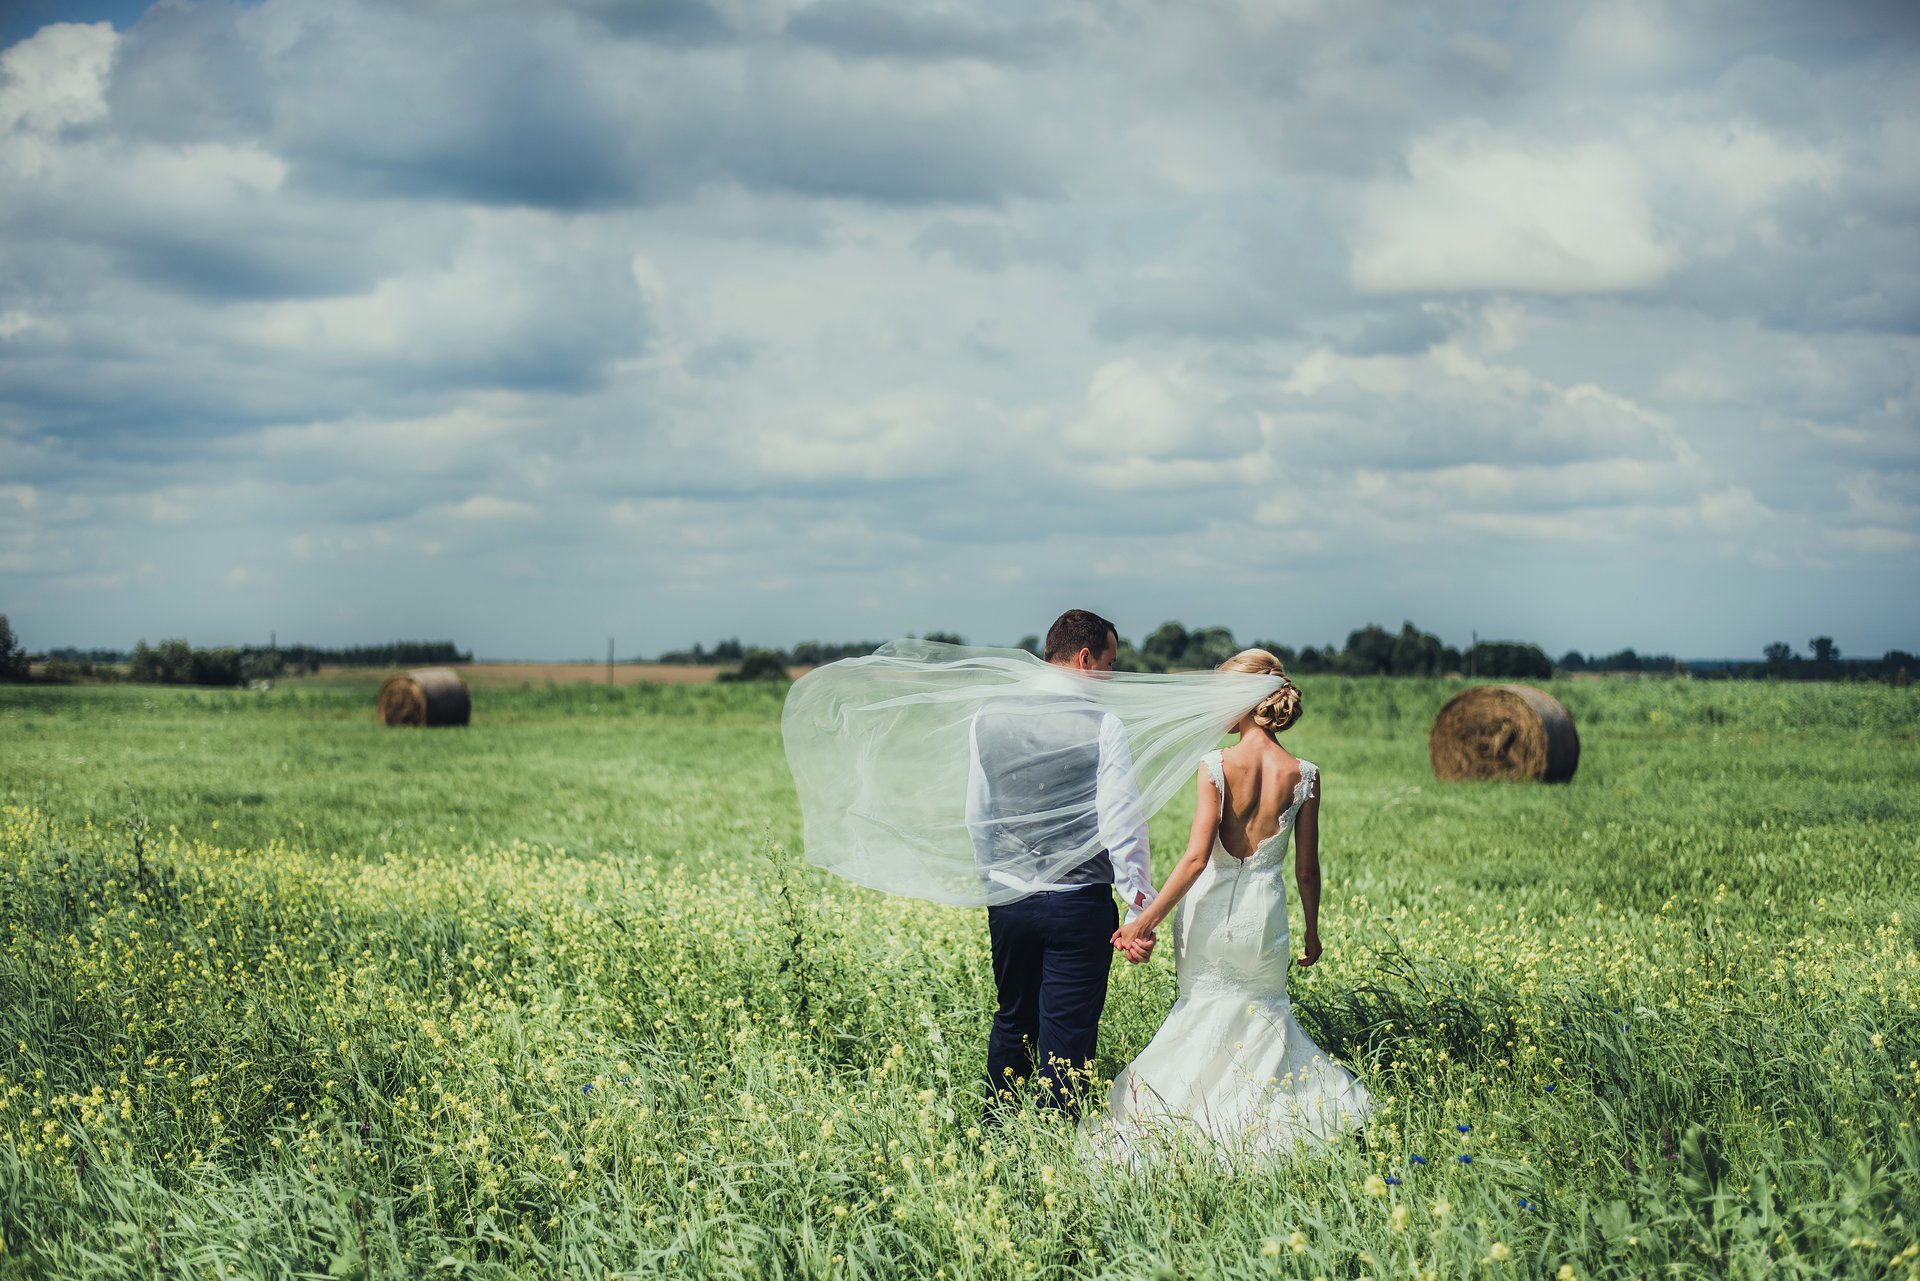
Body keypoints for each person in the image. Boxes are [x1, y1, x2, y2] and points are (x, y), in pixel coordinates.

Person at [1090, 648, 1371, 1162]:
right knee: (1263, 1015)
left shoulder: (1217, 766)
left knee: (1200, 1009)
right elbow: (1307, 870)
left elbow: (1197, 858)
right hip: (1265, 913)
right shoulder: (1304, 774)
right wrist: (1312, 931)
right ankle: (1260, 1123)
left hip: (1210, 909)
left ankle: (1179, 1118)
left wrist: (1144, 921)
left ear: (1246, 701)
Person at [967, 608, 1157, 1119]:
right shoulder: (1103, 725)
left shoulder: (989, 714)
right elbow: (1122, 825)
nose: (1113, 678)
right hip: (1076, 905)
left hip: (1007, 898)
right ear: (1085, 657)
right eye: (1111, 665)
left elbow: (977, 811)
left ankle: (996, 1129)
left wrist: (997, 879)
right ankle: (1056, 1140)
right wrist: (1141, 907)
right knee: (1068, 1033)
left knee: (1013, 1019)